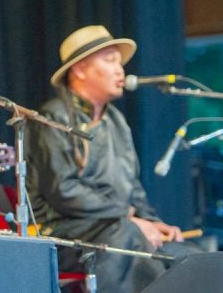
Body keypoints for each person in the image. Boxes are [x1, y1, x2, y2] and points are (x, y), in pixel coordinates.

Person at [26, 25, 187, 293]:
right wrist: (130, 219)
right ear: (79, 70)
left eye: (120, 62)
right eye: (109, 61)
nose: (119, 69)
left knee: (184, 252)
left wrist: (153, 221)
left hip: (117, 226)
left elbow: (131, 187)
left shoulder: (116, 121)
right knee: (128, 236)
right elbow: (63, 191)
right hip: (64, 230)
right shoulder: (53, 117)